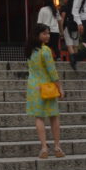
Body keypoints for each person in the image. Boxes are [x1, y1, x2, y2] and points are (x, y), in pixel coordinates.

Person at [25, 26, 64, 158]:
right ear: (37, 35)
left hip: (33, 87)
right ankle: (57, 147)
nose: (47, 35)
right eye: (44, 33)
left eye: (48, 33)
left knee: (39, 117)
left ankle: (43, 148)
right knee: (53, 116)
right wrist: (60, 87)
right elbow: (52, 71)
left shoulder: (30, 50)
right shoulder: (45, 50)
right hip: (47, 87)